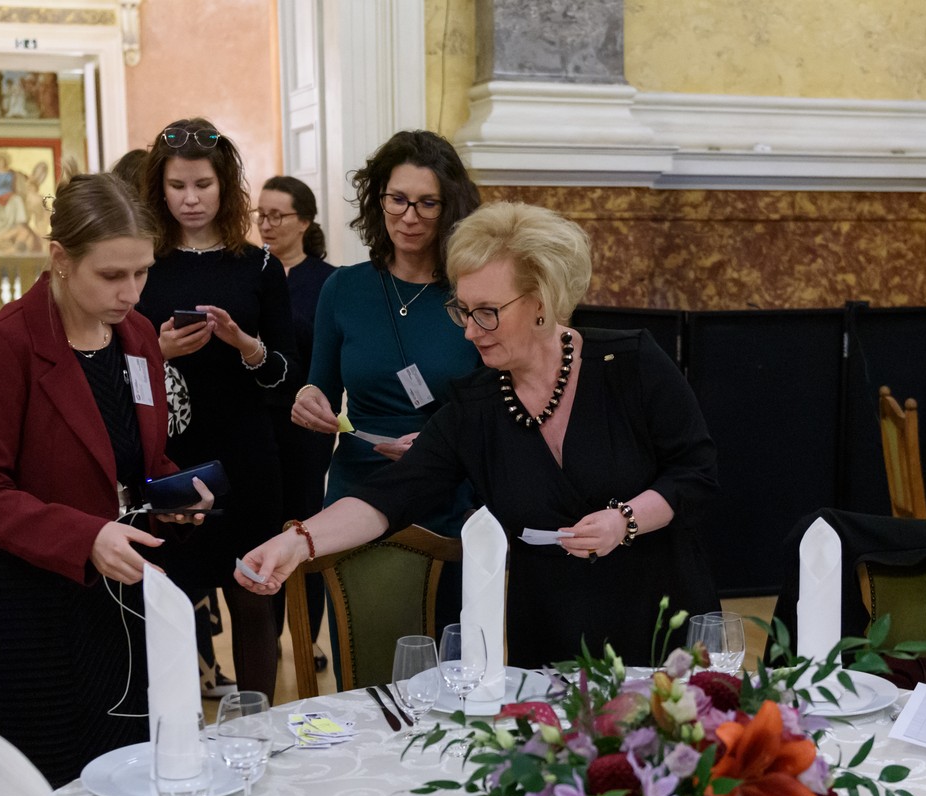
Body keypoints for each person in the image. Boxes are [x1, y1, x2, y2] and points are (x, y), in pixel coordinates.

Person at [239, 203, 720, 668]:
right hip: (550, 631)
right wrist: (296, 543)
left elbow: (695, 473)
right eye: (463, 311)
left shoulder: (631, 364)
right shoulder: (476, 408)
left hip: (662, 623)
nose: (470, 332)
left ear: (541, 302)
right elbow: (390, 494)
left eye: (487, 312)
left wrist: (624, 520)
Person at [0, 172, 210, 787]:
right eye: (111, 275)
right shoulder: (1, 345)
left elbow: (138, 458)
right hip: (33, 606)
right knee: (51, 788)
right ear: (61, 258)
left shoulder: (137, 337)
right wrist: (84, 536)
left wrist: (176, 492)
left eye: (142, 272)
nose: (131, 292)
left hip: (123, 595)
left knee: (134, 774)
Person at [135, 117, 295, 699]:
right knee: (171, 601)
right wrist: (157, 351)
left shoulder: (258, 266)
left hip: (249, 454)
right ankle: (176, 733)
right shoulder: (143, 265)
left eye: (203, 184)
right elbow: (111, 373)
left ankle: (260, 727)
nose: (191, 198)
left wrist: (246, 345)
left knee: (254, 595)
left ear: (225, 186)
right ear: (159, 190)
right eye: (177, 186)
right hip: (171, 456)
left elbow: (285, 377)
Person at [289, 130, 481, 533]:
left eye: (428, 203)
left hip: (445, 490)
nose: (409, 217)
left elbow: (498, 408)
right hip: (355, 489)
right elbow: (320, 388)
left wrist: (440, 444)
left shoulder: (473, 293)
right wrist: (308, 398)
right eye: (398, 199)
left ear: (450, 209)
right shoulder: (343, 288)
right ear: (379, 200)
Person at [256, 176, 335, 670]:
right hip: (256, 423)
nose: (266, 224)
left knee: (306, 527)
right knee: (262, 527)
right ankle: (266, 637)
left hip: (305, 425)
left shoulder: (327, 280)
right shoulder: (251, 270)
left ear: (304, 221)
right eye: (260, 215)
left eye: (277, 215)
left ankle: (308, 636)